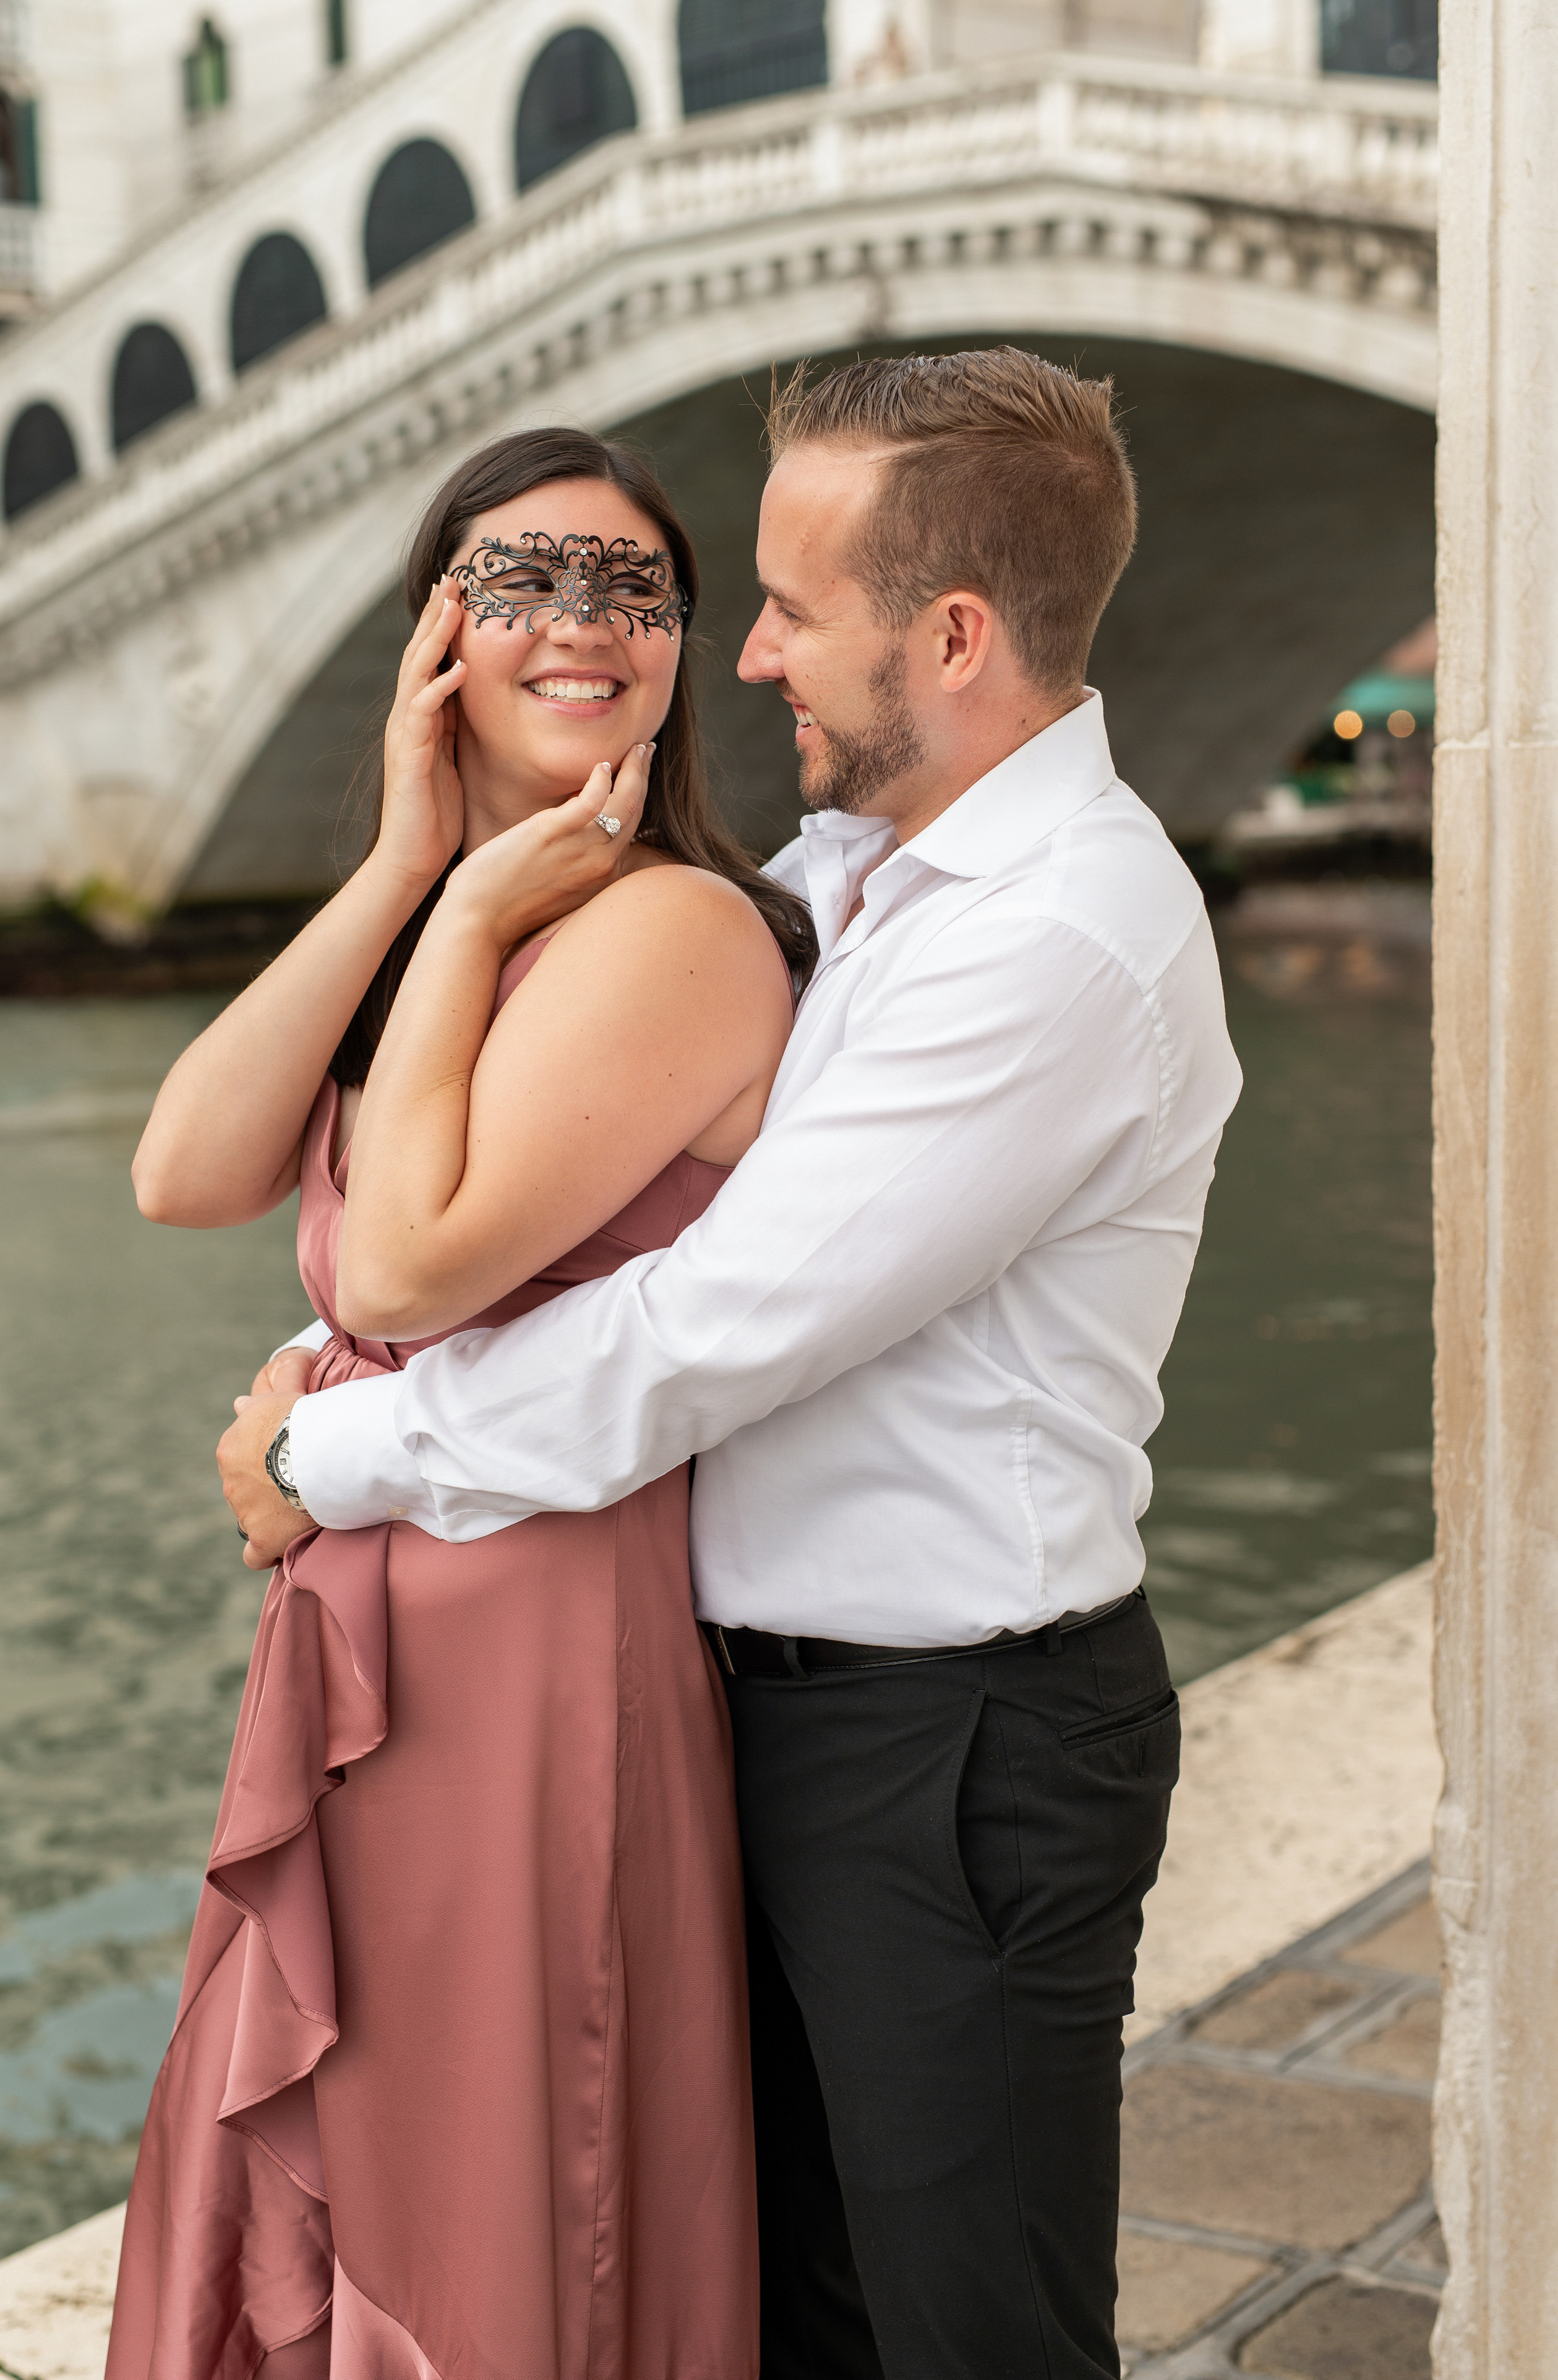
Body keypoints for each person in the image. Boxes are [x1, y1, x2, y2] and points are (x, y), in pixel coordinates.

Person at [224, 348, 1244, 2380]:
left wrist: (337, 1452)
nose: (749, 650)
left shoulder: (1056, 936)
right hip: (754, 1723)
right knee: (788, 2318)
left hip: (953, 1747)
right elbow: (556, 1206)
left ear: (953, 634)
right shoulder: (841, 884)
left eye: (790, 603)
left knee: (971, 2331)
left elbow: (714, 1331)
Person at [108, 426, 814, 2380]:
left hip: (532, 1653)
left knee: (503, 2197)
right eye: (522, 580)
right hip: (378, 1645)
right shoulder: (450, 923)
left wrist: (492, 913)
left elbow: (408, 1269)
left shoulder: (670, 927)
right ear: (438, 628)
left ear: (682, 642)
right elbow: (185, 1168)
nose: (581, 626)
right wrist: (420, 869)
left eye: (633, 589)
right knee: (369, 2178)